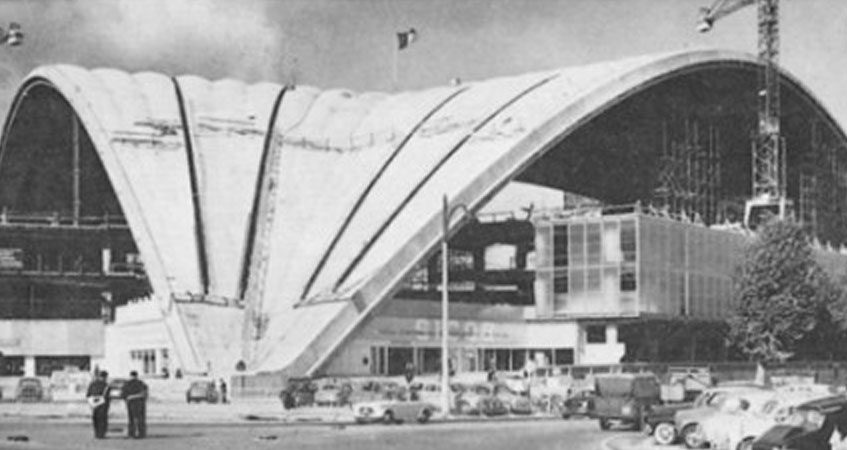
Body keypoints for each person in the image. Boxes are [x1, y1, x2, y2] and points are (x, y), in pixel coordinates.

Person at [121, 371, 148, 439]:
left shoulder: (127, 384)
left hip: (131, 402)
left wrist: (125, 400)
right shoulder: (141, 383)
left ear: (130, 376)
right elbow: (145, 392)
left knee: (131, 418)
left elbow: (123, 394)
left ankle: (131, 433)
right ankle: (141, 433)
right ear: (137, 376)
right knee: (140, 418)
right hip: (140, 402)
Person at [86, 370, 111, 439]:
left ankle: (97, 433)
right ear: (105, 377)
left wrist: (91, 402)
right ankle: (102, 434)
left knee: (95, 419)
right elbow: (107, 397)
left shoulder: (92, 384)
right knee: (102, 420)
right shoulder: (106, 385)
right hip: (103, 404)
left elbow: (88, 394)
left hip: (94, 404)